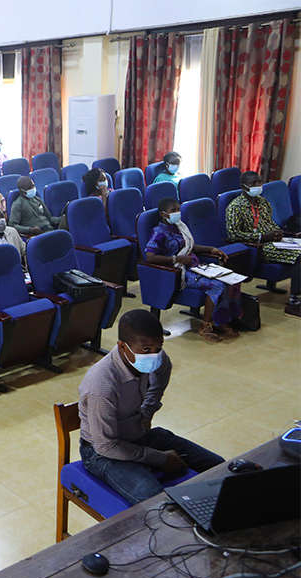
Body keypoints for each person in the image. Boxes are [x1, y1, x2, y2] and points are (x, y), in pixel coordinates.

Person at [78, 309, 224, 505]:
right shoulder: (102, 385)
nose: (153, 355)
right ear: (122, 346)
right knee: (158, 503)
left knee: (220, 467)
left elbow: (160, 377)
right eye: (146, 350)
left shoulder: (156, 358)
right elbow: (106, 445)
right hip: (102, 453)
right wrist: (160, 458)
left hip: (138, 435)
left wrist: (147, 412)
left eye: (158, 347)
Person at [144, 197, 241, 341]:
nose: (177, 212)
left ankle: (222, 321)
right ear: (163, 214)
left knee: (230, 279)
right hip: (177, 272)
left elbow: (190, 246)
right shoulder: (158, 232)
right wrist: (177, 259)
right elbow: (150, 257)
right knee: (217, 285)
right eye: (173, 210)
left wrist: (212, 250)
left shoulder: (180, 226)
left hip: (194, 266)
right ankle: (206, 326)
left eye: (178, 209)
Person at [224, 171, 300, 318]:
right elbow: (233, 235)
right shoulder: (235, 207)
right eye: (253, 184)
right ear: (243, 187)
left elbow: (270, 223)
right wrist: (261, 237)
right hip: (259, 247)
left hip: (277, 241)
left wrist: (277, 232)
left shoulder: (263, 202)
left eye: (259, 182)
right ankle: (293, 303)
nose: (258, 186)